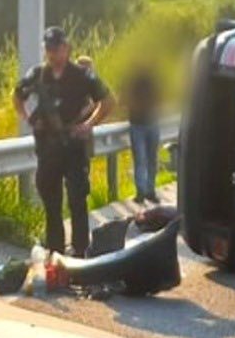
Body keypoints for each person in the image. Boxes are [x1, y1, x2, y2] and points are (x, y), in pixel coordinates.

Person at [14, 27, 114, 255]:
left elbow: (108, 100)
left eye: (57, 48)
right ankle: (56, 251)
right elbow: (18, 95)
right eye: (48, 49)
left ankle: (80, 251)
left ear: (66, 48)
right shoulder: (38, 74)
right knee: (51, 203)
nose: (52, 54)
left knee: (78, 200)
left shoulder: (81, 75)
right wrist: (28, 117)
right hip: (48, 148)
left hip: (73, 145)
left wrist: (89, 124)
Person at [123, 63, 161, 204]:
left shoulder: (154, 79)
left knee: (151, 159)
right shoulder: (131, 80)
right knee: (140, 159)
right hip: (137, 124)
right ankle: (141, 192)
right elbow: (123, 99)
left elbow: (161, 98)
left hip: (152, 123)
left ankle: (150, 191)